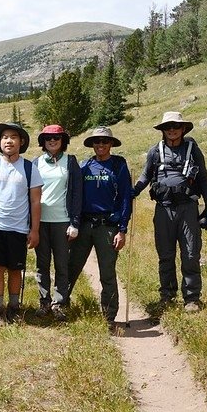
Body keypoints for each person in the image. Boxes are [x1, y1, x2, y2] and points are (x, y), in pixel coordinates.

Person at [133, 111, 207, 313]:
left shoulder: (193, 150)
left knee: (191, 253)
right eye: (168, 127)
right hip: (164, 209)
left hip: (188, 208)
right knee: (166, 255)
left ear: (183, 129)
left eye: (176, 127)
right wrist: (132, 192)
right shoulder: (155, 151)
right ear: (163, 130)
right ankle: (167, 296)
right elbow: (145, 175)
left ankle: (192, 298)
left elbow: (203, 178)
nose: (172, 130)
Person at [0, 122, 43, 327]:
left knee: (15, 269)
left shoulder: (30, 169)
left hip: (19, 228)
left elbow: (35, 201)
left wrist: (35, 230)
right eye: (5, 137)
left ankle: (14, 308)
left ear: (21, 142)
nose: (9, 140)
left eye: (13, 137)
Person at [67, 126, 132, 331]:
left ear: (111, 144)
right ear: (92, 144)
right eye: (97, 141)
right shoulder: (85, 166)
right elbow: (75, 195)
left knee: (107, 272)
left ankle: (109, 316)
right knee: (71, 267)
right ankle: (60, 305)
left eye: (105, 141)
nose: (101, 145)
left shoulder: (119, 166)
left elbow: (125, 198)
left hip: (108, 227)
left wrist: (122, 229)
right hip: (84, 224)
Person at [32, 124, 82, 322]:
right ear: (43, 142)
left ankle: (59, 303)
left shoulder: (70, 162)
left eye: (56, 138)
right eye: (48, 138)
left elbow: (77, 194)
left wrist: (75, 222)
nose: (52, 141)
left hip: (62, 221)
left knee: (62, 264)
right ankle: (44, 301)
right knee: (41, 264)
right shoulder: (36, 163)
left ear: (63, 141)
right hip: (41, 221)